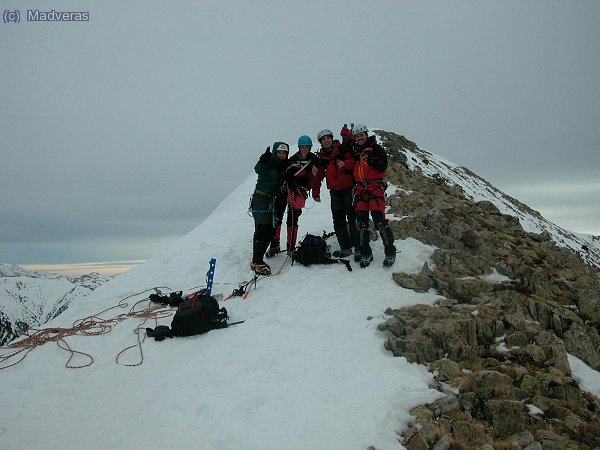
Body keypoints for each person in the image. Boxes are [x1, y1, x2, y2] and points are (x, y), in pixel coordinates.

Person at [266, 135, 320, 257]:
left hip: (298, 192)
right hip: (285, 190)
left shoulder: (314, 160)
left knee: (292, 219)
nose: (305, 149)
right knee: (277, 217)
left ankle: (291, 247)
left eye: (307, 147)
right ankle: (275, 244)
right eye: (302, 147)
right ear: (299, 147)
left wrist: (313, 192)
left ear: (310, 148)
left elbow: (315, 178)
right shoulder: (292, 159)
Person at [351, 123, 397, 268]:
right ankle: (366, 252)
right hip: (360, 191)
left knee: (379, 221)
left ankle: (390, 252)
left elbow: (383, 165)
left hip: (375, 188)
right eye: (357, 136)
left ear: (366, 134)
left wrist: (374, 161)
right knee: (362, 224)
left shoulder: (376, 149)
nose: (359, 138)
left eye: (361, 135)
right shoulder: (355, 152)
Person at [314, 128, 360, 260]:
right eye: (323, 139)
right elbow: (318, 176)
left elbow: (356, 163)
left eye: (328, 138)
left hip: (348, 188)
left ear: (332, 139)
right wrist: (316, 193)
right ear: (321, 142)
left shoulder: (343, 149)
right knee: (338, 219)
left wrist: (345, 164)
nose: (326, 141)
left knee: (352, 217)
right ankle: (346, 248)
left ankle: (357, 247)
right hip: (334, 192)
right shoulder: (322, 158)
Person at [250, 142, 289, 275]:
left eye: (284, 153)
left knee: (270, 231)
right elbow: (258, 169)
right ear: (274, 152)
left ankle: (258, 259)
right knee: (261, 231)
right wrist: (263, 160)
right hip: (261, 200)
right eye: (279, 152)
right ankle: (256, 261)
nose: (282, 155)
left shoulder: (282, 167)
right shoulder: (268, 163)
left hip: (271, 202)